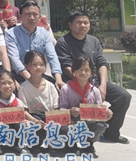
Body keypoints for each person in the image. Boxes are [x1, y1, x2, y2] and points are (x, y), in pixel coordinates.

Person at [55, 9, 131, 144]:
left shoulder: (94, 41)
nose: (83, 25)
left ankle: (111, 133)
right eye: (78, 22)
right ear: (70, 25)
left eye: (86, 22)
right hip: (75, 82)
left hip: (94, 80)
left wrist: (103, 85)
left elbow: (102, 63)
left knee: (123, 96)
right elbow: (66, 66)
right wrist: (84, 81)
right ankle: (81, 134)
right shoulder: (63, 42)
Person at [59, 55, 113, 157]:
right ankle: (70, 144)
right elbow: (61, 108)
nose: (83, 73)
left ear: (92, 73)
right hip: (73, 120)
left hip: (89, 121)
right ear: (74, 72)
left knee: (101, 126)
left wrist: (106, 115)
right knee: (63, 127)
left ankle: (88, 143)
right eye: (80, 70)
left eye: (87, 70)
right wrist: (70, 111)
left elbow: (99, 111)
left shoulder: (95, 91)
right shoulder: (66, 89)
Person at [5, 0, 65, 90]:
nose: (31, 17)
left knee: (57, 89)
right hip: (19, 75)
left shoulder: (45, 33)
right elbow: (14, 58)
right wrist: (31, 79)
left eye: (35, 14)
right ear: (20, 16)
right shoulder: (11, 34)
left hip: (39, 74)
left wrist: (58, 79)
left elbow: (52, 56)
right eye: (27, 14)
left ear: (39, 17)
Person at [0, 69, 36, 155]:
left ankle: (18, 144)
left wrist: (25, 122)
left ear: (14, 84)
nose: (7, 86)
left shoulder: (17, 101)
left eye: (10, 83)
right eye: (3, 83)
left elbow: (21, 117)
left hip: (12, 127)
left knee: (22, 125)